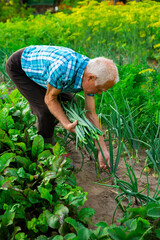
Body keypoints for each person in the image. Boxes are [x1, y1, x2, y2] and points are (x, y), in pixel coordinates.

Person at [6, 45, 119, 170]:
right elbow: (50, 99)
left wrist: (102, 150)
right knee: (45, 110)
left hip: (46, 70)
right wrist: (65, 123)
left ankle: (47, 129)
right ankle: (47, 151)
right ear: (90, 78)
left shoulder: (92, 72)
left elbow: (91, 114)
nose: (98, 93)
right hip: (20, 67)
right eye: (99, 89)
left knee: (71, 102)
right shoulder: (64, 70)